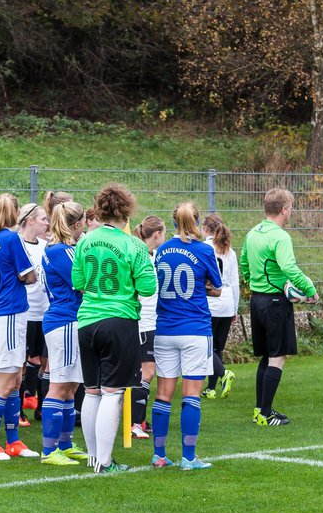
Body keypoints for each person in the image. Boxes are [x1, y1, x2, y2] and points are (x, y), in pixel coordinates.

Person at [72, 183, 158, 473]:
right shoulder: (132, 244)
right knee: (112, 392)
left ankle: (93, 457)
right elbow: (147, 287)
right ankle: (105, 462)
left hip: (86, 320)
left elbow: (79, 282)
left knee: (92, 390)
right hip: (118, 319)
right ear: (127, 210)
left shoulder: (85, 240)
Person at [151, 202, 223, 470]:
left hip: (165, 328)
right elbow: (216, 288)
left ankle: (159, 454)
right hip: (194, 329)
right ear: (196, 221)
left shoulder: (161, 250)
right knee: (191, 394)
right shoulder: (205, 250)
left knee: (163, 394)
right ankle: (188, 457)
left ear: (173, 222)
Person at [239, 188, 317, 426]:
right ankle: (265, 414)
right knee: (277, 357)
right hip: (274, 303)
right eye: (290, 208)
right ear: (284, 209)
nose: (290, 212)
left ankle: (261, 409)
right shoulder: (280, 236)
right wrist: (309, 290)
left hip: (257, 300)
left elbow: (243, 262)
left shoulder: (253, 233)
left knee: (266, 355)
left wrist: (252, 282)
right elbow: (289, 268)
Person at [0, 194, 40, 459]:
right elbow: (29, 274)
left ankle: (14, 441)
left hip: (7, 312)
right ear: (15, 212)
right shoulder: (11, 237)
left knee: (16, 378)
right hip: (8, 314)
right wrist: (30, 275)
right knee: (6, 381)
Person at [38, 201, 90, 465]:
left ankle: (65, 444)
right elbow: (82, 283)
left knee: (71, 386)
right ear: (78, 224)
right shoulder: (61, 251)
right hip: (65, 321)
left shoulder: (59, 248)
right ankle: (49, 451)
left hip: (68, 321)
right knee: (59, 386)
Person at [130, 216, 165, 439]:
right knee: (146, 372)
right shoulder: (140, 254)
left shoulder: (151, 255)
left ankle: (139, 419)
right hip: (142, 323)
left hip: (151, 321)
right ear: (157, 234)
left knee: (146, 372)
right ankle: (134, 422)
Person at [17, 202, 50, 427]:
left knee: (45, 362)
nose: (47, 223)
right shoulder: (17, 244)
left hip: (45, 313)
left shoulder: (45, 246)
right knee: (19, 363)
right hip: (25, 314)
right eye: (43, 219)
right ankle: (17, 410)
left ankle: (41, 407)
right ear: (30, 220)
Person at [203, 213, 239, 399]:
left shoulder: (204, 248)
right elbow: (234, 283)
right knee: (217, 348)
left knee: (206, 347)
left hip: (211, 303)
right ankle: (211, 388)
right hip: (227, 303)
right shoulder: (230, 251)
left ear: (205, 228)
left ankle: (224, 373)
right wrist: (235, 308)